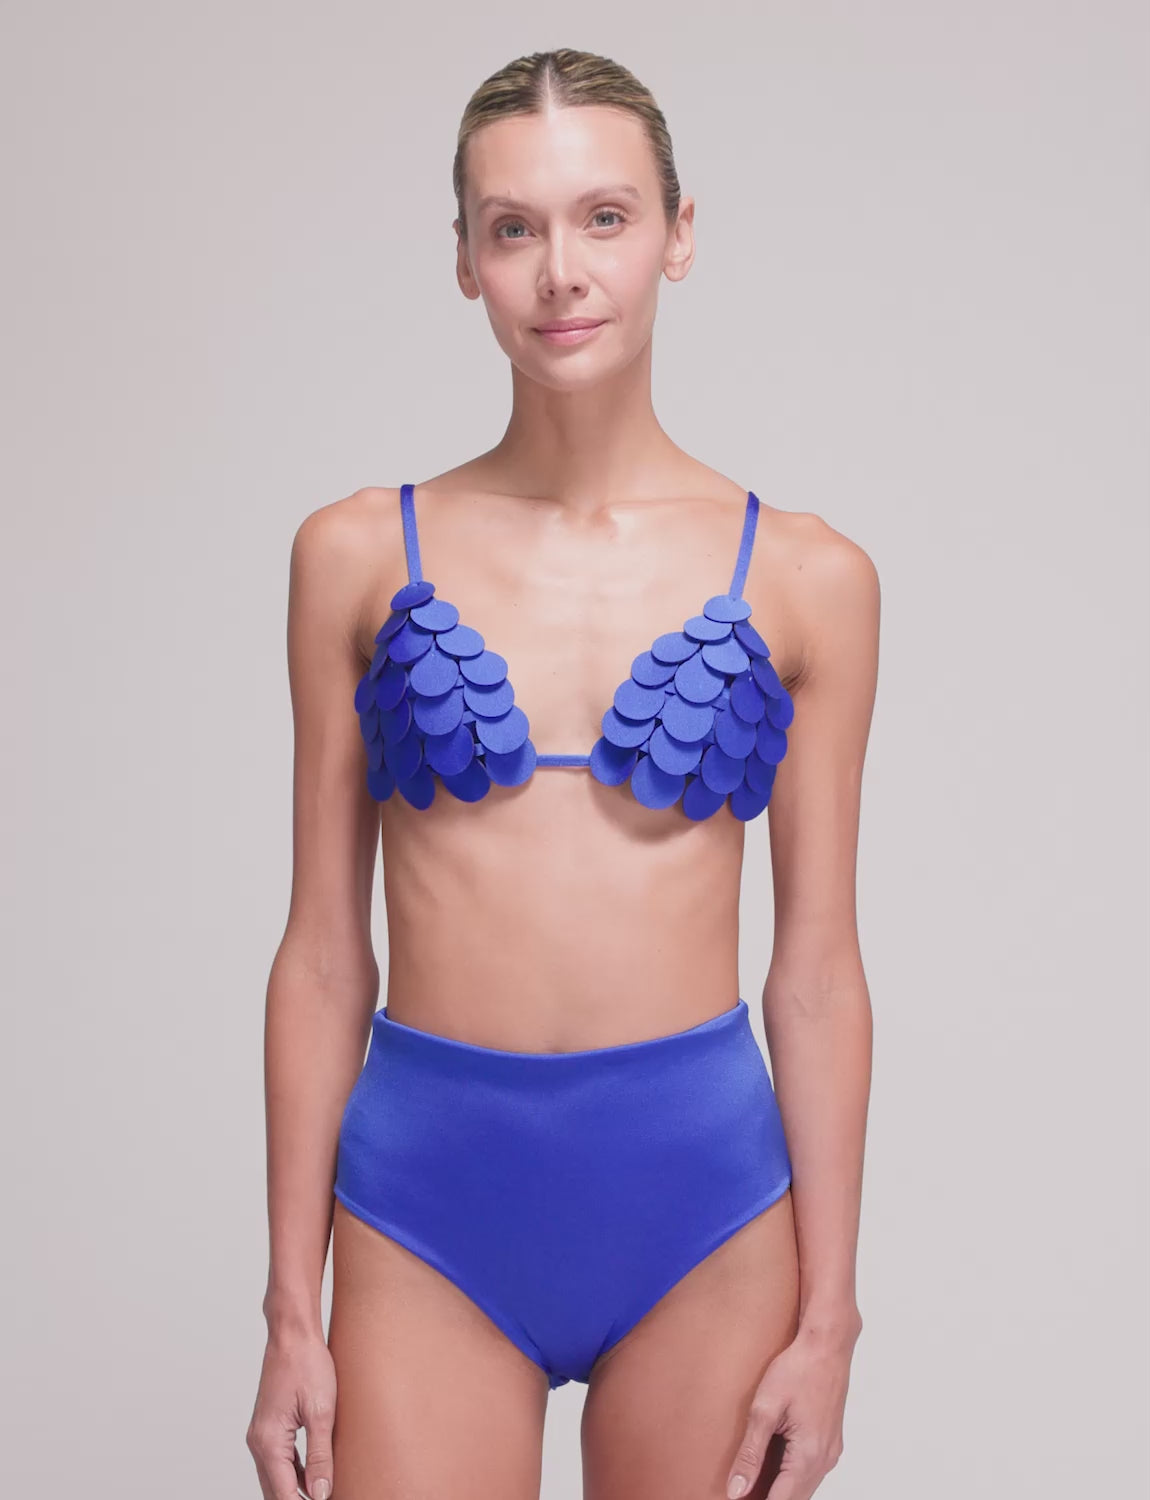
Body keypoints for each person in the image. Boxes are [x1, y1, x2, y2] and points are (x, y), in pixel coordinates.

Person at [246, 46, 879, 1500]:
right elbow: (324, 955)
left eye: (604, 217)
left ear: (678, 232)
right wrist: (289, 1305)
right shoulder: (352, 554)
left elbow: (817, 972)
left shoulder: (809, 577)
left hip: (707, 1212)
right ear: (465, 257)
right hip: (423, 1210)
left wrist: (832, 1318)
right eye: (513, 227)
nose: (561, 272)